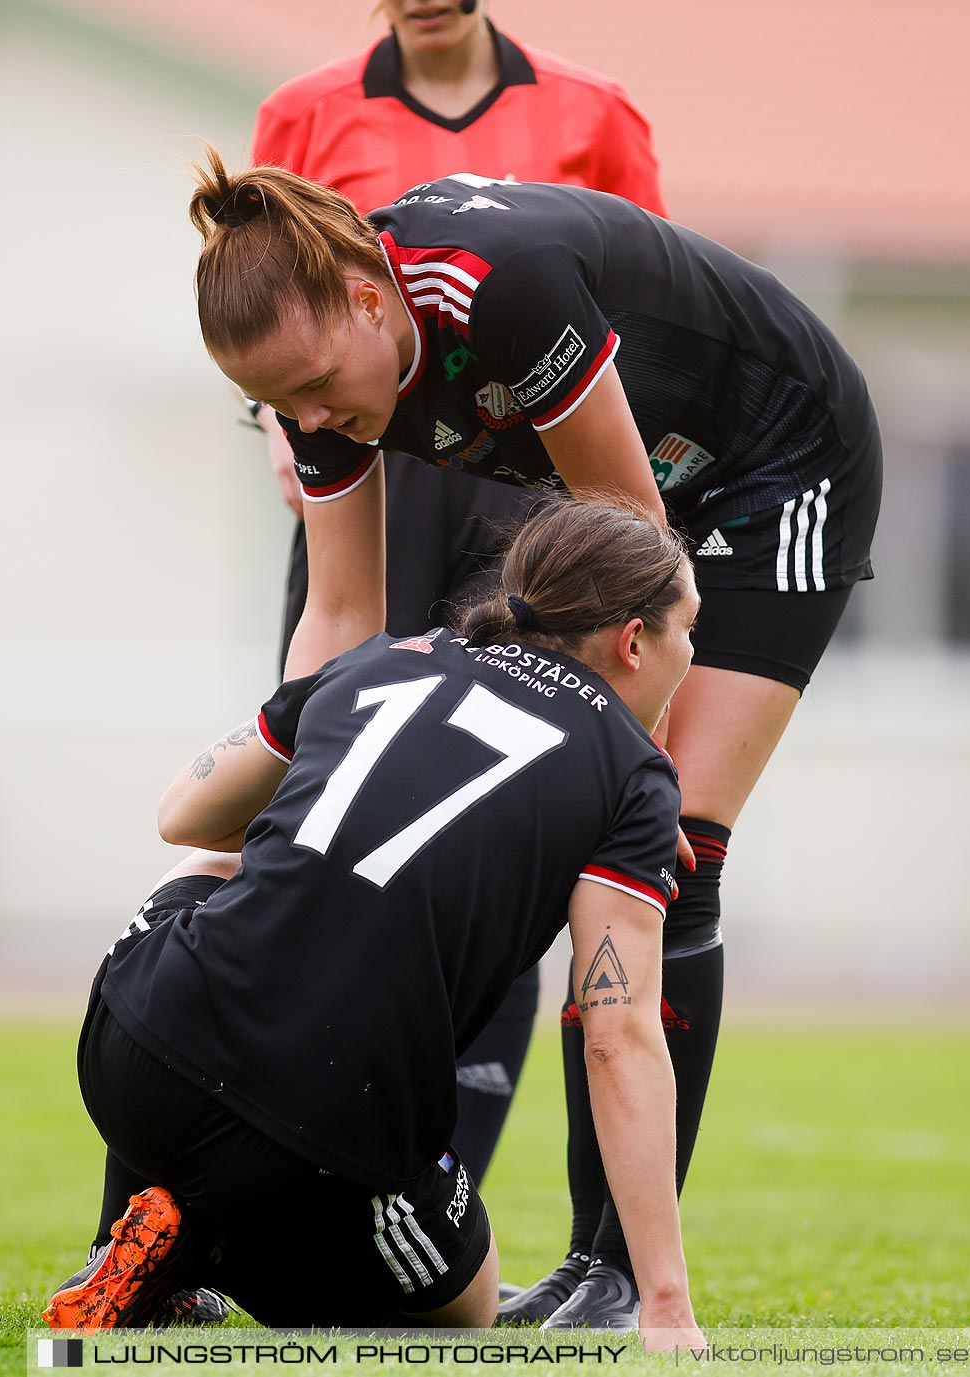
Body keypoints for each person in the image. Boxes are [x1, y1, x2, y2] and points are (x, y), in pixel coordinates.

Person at [186, 148, 883, 1325]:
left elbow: (636, 566)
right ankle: (587, 1270)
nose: (309, 423)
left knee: (671, 858)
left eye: (313, 387)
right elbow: (343, 613)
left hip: (777, 469)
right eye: (280, 408)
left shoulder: (489, 288)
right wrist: (296, 790)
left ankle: (614, 1272)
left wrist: (619, 799)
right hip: (649, 506)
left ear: (370, 296)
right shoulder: (326, 381)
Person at [43, 500, 705, 1345]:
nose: (693, 655)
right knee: (466, 1308)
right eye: (690, 629)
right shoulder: (633, 773)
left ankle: (141, 1230)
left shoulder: (384, 658)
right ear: (636, 639)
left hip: (127, 1058)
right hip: (319, 1146)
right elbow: (619, 1037)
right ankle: (219, 1241)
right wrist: (666, 1303)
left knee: (210, 869)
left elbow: (184, 813)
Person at [250, 0, 667, 1193]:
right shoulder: (306, 113)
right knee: (335, 814)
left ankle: (443, 1190)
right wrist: (280, 430)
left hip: (523, 516)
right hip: (367, 496)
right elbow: (268, 313)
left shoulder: (595, 112)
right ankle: (269, 1160)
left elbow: (631, 314)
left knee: (500, 828)